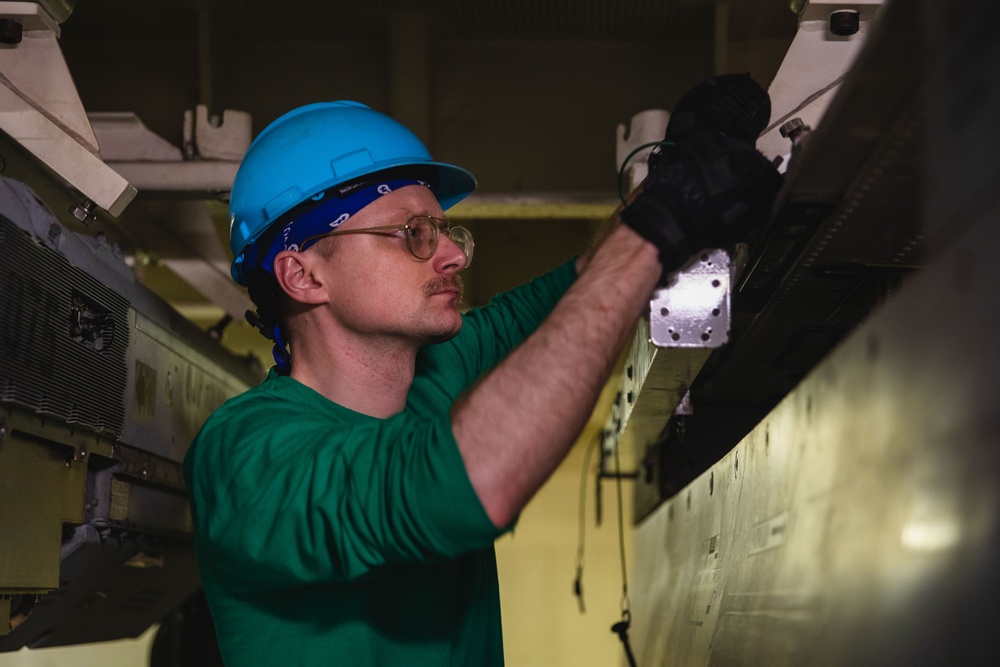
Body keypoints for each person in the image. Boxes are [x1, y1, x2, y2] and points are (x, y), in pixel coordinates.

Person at [183, 77, 780, 666]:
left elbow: (582, 283)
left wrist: (671, 181)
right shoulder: (245, 453)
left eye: (444, 230)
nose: (454, 254)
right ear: (303, 276)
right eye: (411, 234)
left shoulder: (440, 367)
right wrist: (658, 228)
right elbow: (452, 485)